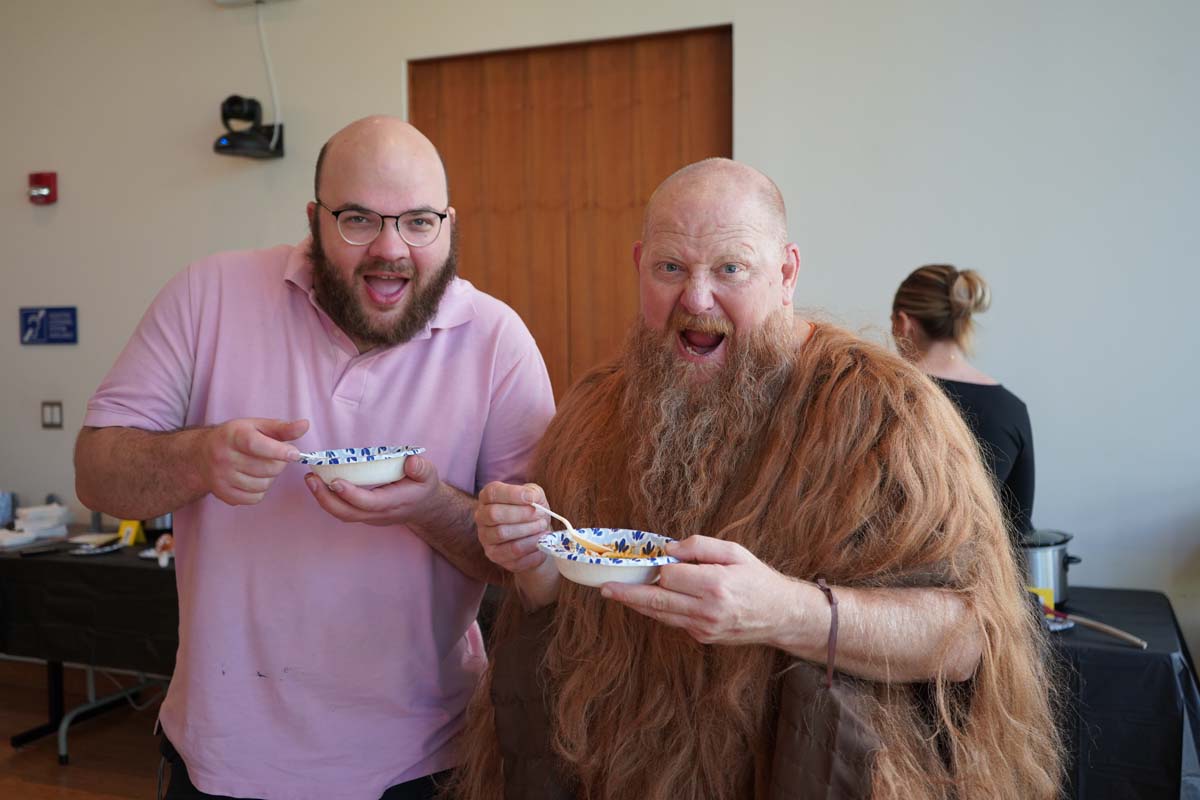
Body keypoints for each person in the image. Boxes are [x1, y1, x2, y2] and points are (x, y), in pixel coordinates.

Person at [455, 159, 1061, 799]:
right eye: (670, 268)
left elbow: (969, 635)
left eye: (730, 269)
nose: (695, 298)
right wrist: (530, 556)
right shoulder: (592, 413)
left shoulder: (887, 416)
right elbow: (556, 610)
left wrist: (786, 611)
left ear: (787, 272)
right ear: (640, 265)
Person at [74, 117, 555, 800]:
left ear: (449, 224)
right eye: (358, 219)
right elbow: (96, 473)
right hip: (222, 758)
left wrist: (431, 507)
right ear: (314, 219)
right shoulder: (205, 297)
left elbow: (529, 562)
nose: (392, 249)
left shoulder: (496, 340)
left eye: (419, 222)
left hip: (423, 761)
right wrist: (198, 458)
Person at [892, 264, 1036, 538]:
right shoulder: (1011, 409)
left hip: (884, 576)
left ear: (903, 323)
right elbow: (1018, 529)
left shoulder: (884, 395)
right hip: (979, 578)